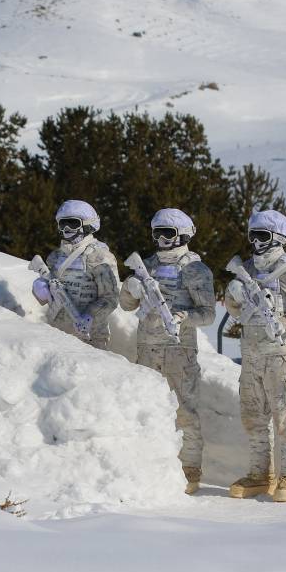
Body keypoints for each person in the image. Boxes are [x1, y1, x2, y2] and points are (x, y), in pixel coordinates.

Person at [120, 208, 216, 494]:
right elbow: (126, 306)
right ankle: (152, 466)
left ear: (184, 235)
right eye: (157, 233)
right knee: (148, 407)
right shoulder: (146, 265)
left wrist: (184, 316)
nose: (161, 239)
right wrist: (131, 288)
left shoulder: (195, 270)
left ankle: (189, 470)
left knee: (185, 411)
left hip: (179, 350)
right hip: (148, 348)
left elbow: (208, 314)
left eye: (168, 233)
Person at [223, 210, 286, 503]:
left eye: (262, 236)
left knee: (284, 415)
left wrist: (281, 321)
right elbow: (235, 312)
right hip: (251, 356)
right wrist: (235, 299)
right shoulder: (246, 268)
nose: (255, 242)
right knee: (253, 416)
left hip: (281, 356)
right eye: (252, 235)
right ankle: (260, 475)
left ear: (277, 238)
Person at [31, 200, 121, 350]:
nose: (66, 228)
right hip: (56, 333)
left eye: (72, 223)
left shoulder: (99, 257)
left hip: (89, 336)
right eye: (62, 223)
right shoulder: (55, 257)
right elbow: (49, 291)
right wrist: (40, 289)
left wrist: (90, 316)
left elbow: (111, 297)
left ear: (87, 225)